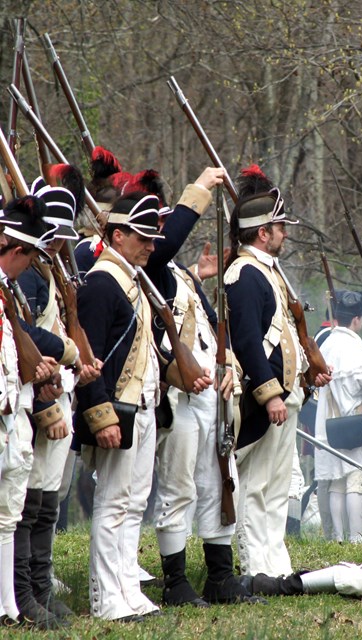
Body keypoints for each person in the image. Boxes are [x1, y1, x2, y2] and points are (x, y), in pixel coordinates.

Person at [75, 191, 211, 622]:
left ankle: (128, 590)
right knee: (114, 503)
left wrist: (180, 374)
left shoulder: (131, 280)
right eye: (143, 238)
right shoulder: (101, 284)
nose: (152, 247)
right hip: (117, 410)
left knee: (135, 503)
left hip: (145, 407)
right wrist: (101, 417)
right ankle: (106, 598)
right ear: (117, 235)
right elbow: (90, 362)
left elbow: (144, 352)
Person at [145, 169, 260, 606]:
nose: (160, 233)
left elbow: (213, 329)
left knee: (218, 483)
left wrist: (228, 364)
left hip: (212, 393)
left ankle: (220, 577)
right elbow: (166, 246)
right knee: (180, 487)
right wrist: (202, 187)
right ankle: (175, 582)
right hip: (180, 394)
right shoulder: (149, 264)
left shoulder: (179, 273)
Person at [224, 165, 331, 577]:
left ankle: (275, 562)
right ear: (263, 232)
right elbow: (248, 342)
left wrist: (303, 376)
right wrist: (270, 394)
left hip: (286, 395)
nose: (285, 234)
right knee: (257, 487)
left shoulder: (265, 272)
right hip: (266, 399)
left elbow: (285, 336)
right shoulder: (244, 274)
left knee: (276, 488)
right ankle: (256, 567)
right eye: (280, 227)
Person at [14, 178, 101, 627]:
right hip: (36, 399)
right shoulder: (28, 273)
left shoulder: (46, 270)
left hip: (56, 391)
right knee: (28, 500)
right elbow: (25, 339)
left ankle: (39, 586)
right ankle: (23, 592)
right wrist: (70, 357)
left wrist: (75, 365)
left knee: (47, 499)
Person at [313, 290, 362, 543]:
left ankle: (337, 537)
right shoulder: (359, 350)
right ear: (356, 319)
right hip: (357, 425)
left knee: (336, 483)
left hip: (329, 426)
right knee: (357, 481)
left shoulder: (326, 345)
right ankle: (356, 538)